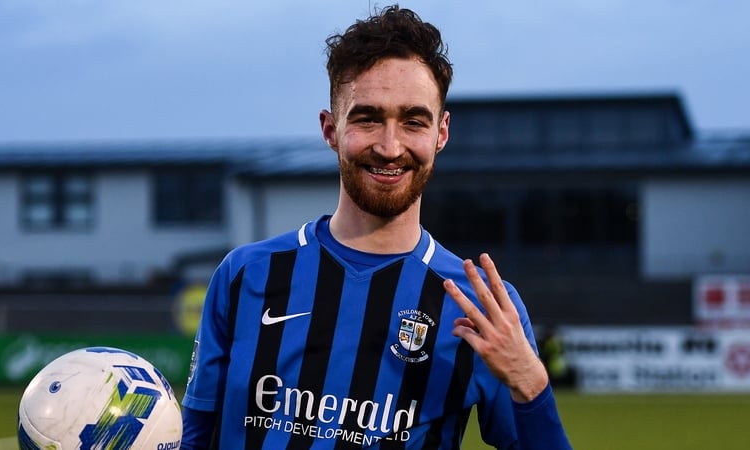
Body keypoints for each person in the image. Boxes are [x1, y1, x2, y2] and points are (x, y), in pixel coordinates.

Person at [181, 5, 571, 449]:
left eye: (413, 122)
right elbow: (193, 440)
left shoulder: (479, 306)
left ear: (441, 133)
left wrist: (530, 384)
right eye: (367, 118)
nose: (390, 147)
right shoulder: (246, 275)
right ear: (331, 129)